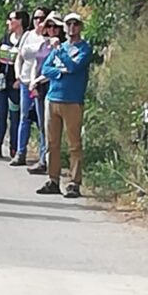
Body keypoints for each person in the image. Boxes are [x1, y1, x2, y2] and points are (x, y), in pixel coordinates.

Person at [37, 12, 92, 199]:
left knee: (74, 144)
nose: (71, 28)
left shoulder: (84, 48)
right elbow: (46, 69)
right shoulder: (61, 46)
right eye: (68, 24)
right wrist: (60, 72)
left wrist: (60, 54)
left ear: (80, 27)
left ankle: (74, 182)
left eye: (75, 24)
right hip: (53, 98)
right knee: (52, 143)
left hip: (72, 100)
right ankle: (53, 179)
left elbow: (74, 67)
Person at [25, 13, 65, 175]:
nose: (52, 29)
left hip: (51, 87)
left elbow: (56, 68)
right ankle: (44, 159)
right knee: (42, 125)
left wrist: (38, 80)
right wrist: (32, 81)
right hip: (39, 88)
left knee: (50, 127)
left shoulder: (61, 46)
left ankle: (49, 161)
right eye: (49, 26)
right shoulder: (44, 44)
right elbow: (37, 63)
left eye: (55, 26)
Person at [0, 9, 28, 159]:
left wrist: (19, 80)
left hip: (15, 84)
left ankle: (14, 147)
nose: (8, 22)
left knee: (15, 116)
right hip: (1, 82)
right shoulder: (5, 38)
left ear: (20, 21)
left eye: (11, 19)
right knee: (1, 115)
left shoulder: (25, 39)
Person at [11, 6, 50, 166]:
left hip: (40, 84)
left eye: (42, 18)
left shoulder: (48, 38)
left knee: (42, 121)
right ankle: (20, 152)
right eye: (36, 18)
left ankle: (43, 157)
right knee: (24, 118)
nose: (38, 21)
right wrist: (18, 75)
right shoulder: (27, 35)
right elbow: (19, 57)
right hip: (25, 82)